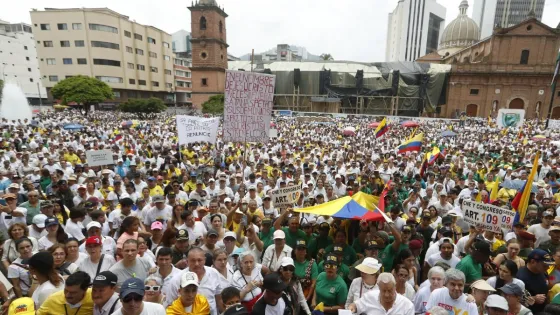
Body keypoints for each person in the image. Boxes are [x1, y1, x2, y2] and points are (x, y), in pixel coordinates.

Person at [164, 247, 225, 315]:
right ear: (187, 261)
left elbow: (219, 299)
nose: (196, 264)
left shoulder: (214, 273)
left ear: (205, 260)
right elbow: (170, 305)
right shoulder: (176, 279)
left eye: (199, 260)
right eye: (193, 260)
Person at [347, 272, 414, 315]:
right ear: (378, 287)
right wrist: (352, 307)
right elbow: (356, 305)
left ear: (395, 287)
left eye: (390, 290)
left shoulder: (407, 306)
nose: (386, 295)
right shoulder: (370, 297)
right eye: (383, 291)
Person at [516, 248, 553, 313]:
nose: (548, 268)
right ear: (533, 262)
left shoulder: (542, 271)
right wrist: (534, 298)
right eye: (544, 265)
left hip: (543, 310)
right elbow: (516, 300)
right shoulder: (521, 278)